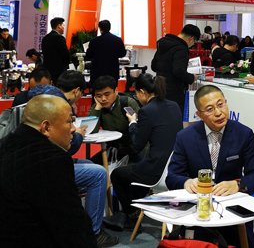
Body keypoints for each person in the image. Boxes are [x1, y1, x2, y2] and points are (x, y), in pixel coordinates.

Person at [167, 84, 254, 248]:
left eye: (221, 105)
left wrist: (238, 185)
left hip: (233, 209)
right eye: (210, 109)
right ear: (199, 115)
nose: (219, 112)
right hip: (197, 211)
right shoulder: (185, 137)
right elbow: (172, 177)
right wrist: (187, 182)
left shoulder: (243, 134)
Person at [27, 71, 118, 248]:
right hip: (46, 165)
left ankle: (77, 221)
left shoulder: (38, 101)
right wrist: (78, 135)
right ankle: (94, 233)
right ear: (77, 91)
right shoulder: (59, 106)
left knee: (90, 165)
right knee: (99, 174)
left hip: (36, 161)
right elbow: (68, 146)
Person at [0, 95, 97, 248]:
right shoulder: (52, 160)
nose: (73, 129)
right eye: (69, 121)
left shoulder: (6, 143)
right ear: (46, 127)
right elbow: (71, 226)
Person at [104, 75, 183, 231]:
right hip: (175, 167)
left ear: (142, 92)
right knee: (135, 170)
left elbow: (138, 144)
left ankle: (131, 214)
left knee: (117, 175)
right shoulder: (174, 105)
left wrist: (133, 122)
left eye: (136, 94)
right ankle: (133, 210)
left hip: (156, 170)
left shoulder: (146, 111)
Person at [88, 75, 141, 162]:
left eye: (107, 94)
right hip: (112, 149)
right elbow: (91, 130)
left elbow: (139, 127)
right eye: (99, 96)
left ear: (116, 91)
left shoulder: (127, 104)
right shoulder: (97, 107)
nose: (103, 99)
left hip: (132, 150)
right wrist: (97, 108)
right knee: (91, 164)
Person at [151, 24, 200, 114]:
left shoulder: (163, 44)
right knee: (174, 118)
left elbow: (153, 66)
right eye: (194, 42)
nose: (192, 45)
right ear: (191, 39)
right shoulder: (181, 49)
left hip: (159, 88)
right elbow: (179, 71)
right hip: (174, 93)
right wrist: (192, 78)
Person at [86, 20, 127, 86]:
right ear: (109, 28)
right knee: (111, 88)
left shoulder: (94, 41)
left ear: (100, 28)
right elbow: (123, 54)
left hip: (97, 72)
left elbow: (89, 55)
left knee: (98, 89)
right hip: (112, 71)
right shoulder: (118, 40)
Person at [41, 16, 70, 84]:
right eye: (63, 26)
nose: (64, 28)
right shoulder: (59, 38)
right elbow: (65, 54)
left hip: (47, 69)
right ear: (59, 26)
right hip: (58, 70)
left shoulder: (45, 38)